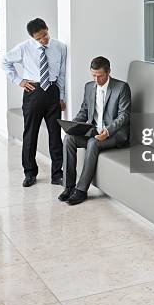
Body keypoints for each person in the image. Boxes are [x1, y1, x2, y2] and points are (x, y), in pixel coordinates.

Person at [1, 18, 67, 187]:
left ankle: (57, 174)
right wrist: (18, 80)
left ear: (47, 28)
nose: (43, 40)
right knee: (30, 134)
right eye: (38, 39)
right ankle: (30, 173)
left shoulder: (59, 47)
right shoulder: (24, 48)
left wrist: (61, 97)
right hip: (33, 92)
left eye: (44, 35)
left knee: (55, 135)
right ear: (32, 37)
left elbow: (62, 74)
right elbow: (5, 62)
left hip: (52, 92)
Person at [59, 56, 131, 205]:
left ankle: (81, 190)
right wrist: (73, 125)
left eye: (100, 76)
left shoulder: (121, 87)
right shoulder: (89, 87)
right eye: (93, 75)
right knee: (69, 139)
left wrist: (108, 131)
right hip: (94, 130)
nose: (96, 80)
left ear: (109, 72)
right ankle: (69, 186)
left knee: (93, 143)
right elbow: (84, 111)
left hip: (115, 134)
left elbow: (124, 115)